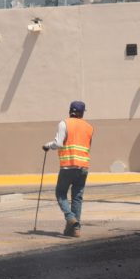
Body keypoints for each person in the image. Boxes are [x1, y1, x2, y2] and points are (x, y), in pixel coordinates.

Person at [43, 100, 94, 237]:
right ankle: (75, 230)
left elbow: (58, 143)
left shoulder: (64, 123)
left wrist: (47, 145)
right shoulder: (89, 127)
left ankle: (70, 217)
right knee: (77, 197)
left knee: (60, 194)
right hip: (83, 167)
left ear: (70, 111)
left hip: (68, 166)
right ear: (82, 113)